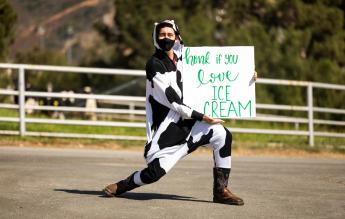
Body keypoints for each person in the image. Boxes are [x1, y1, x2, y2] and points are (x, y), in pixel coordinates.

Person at [103, 19, 257, 205]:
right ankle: (124, 185)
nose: (166, 38)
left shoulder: (187, 60)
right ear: (155, 37)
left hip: (190, 124)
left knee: (222, 135)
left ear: (176, 37)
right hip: (169, 130)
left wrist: (245, 76)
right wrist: (202, 116)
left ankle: (221, 191)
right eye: (162, 35)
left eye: (170, 34)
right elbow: (173, 101)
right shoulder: (154, 65)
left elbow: (218, 75)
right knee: (154, 174)